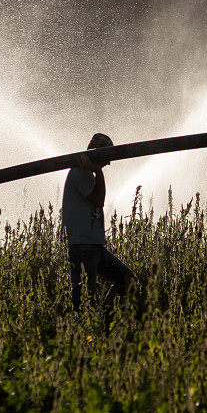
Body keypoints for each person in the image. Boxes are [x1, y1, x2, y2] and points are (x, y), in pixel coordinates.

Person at [62, 132, 135, 313]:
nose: (108, 163)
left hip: (94, 247)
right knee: (83, 301)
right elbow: (98, 200)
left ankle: (105, 318)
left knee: (127, 279)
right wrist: (99, 171)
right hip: (82, 246)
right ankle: (95, 326)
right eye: (106, 157)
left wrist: (96, 171)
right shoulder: (80, 173)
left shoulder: (87, 173)